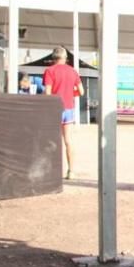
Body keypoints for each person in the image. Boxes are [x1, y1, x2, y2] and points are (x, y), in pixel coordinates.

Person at [43, 46, 84, 180]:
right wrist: (71, 93)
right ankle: (71, 170)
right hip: (68, 108)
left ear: (53, 58)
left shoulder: (49, 71)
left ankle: (50, 171)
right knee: (68, 140)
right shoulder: (73, 71)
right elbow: (81, 92)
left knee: (51, 140)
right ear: (65, 58)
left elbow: (48, 93)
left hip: (55, 108)